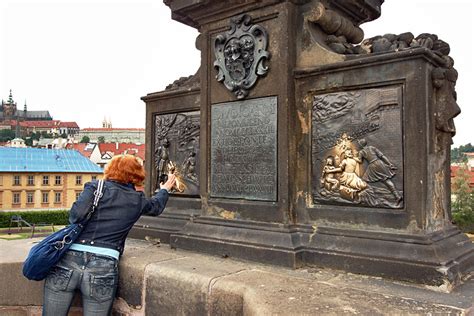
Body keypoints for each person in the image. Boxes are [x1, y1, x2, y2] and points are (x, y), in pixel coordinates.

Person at [42, 154, 176, 316]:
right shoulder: (137, 199)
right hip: (103, 265)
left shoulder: (94, 187)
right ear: (136, 175)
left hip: (69, 260)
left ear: (110, 170)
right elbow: (155, 207)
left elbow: (75, 217)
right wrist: (165, 189)